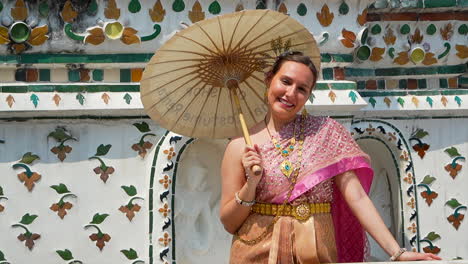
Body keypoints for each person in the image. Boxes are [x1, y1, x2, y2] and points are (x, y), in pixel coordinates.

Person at [219, 51, 442, 263]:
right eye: (285, 82)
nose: (290, 93)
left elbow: (357, 197)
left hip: (315, 250)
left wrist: (397, 252)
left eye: (302, 89)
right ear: (269, 79)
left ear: (308, 95)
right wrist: (251, 184)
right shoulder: (241, 147)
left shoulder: (325, 132)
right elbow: (229, 223)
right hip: (255, 252)